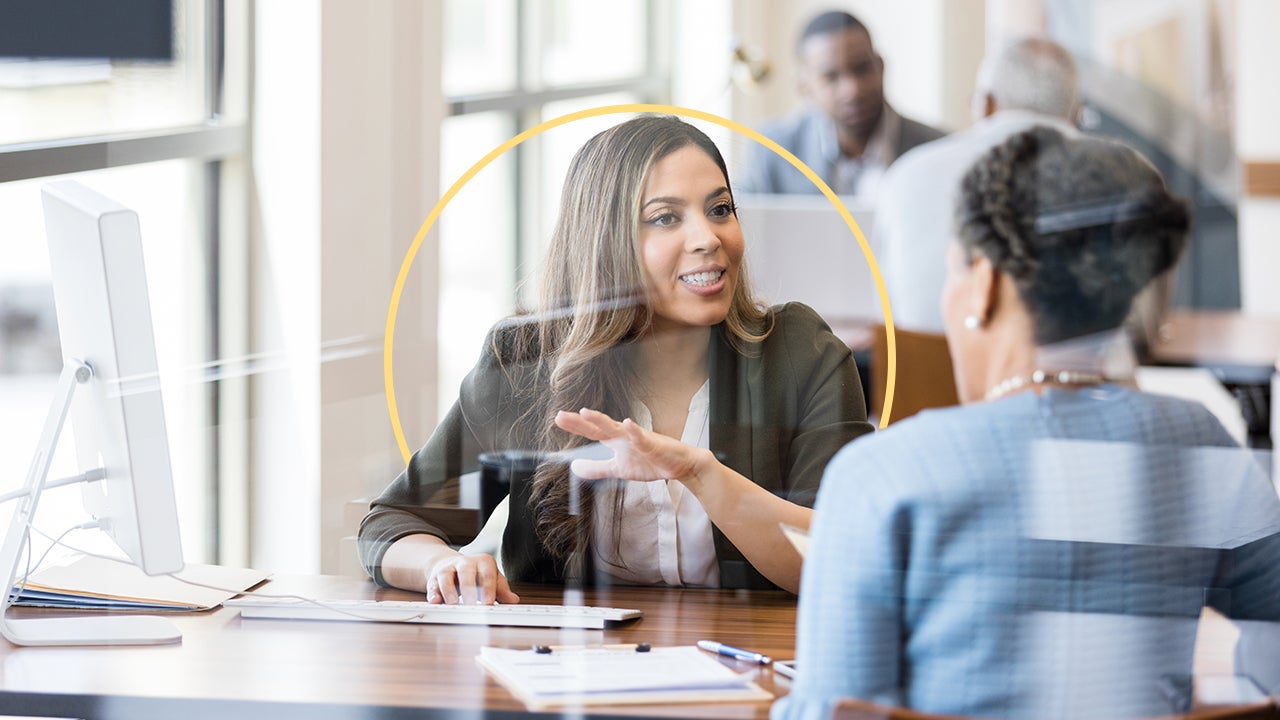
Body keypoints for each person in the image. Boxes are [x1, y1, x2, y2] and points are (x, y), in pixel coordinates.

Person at [773, 127, 1280, 720]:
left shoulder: (880, 477)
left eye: (951, 273)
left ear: (983, 284)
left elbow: (830, 712)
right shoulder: (1203, 446)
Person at [358, 115, 873, 604]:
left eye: (720, 209)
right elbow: (394, 523)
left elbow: (845, 555)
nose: (708, 237)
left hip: (753, 676)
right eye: (665, 218)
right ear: (604, 243)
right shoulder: (525, 361)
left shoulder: (801, 354)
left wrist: (702, 474)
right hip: (563, 678)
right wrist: (439, 565)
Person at [876, 37, 1080, 333]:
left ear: (986, 104)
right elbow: (1140, 331)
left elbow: (882, 313)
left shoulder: (904, 175)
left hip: (918, 375)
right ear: (1076, 114)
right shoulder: (1121, 176)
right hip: (1063, 375)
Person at [738, 10, 945, 197]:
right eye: (831, 77)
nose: (853, 90)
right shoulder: (772, 151)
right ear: (804, 87)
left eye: (862, 68)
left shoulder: (939, 150)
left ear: (881, 67)